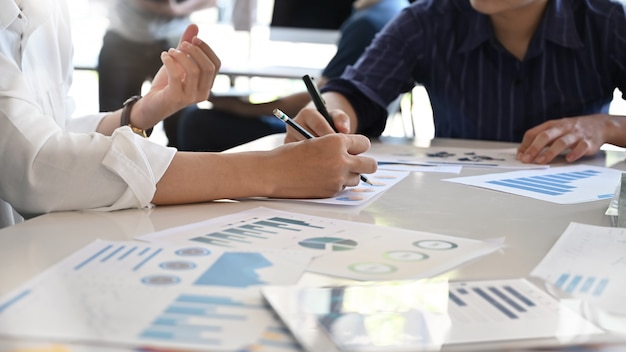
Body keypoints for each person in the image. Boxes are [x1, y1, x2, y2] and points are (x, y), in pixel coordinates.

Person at [0, 0, 376, 229]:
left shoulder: (50, 9)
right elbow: (37, 166)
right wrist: (274, 171)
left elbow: (53, 128)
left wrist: (140, 113)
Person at [286, 0, 626, 165]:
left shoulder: (609, 20)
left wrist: (607, 126)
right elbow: (356, 94)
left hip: (571, 211)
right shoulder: (426, 19)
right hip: (459, 210)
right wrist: (327, 116)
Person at [177, 0, 409, 152]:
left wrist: (241, 107)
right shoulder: (394, 8)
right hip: (350, 132)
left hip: (316, 136)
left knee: (195, 121)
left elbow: (320, 98)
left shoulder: (365, 25)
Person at [97, 0, 216, 148]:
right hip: (123, 37)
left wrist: (176, 9)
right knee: (113, 129)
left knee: (181, 125)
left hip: (173, 40)